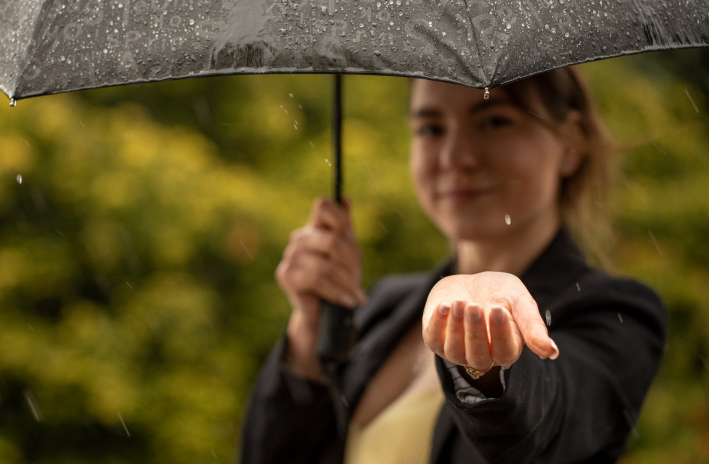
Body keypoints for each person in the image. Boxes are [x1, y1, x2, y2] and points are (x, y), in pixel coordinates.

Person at [239, 67, 667, 463]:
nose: (455, 156)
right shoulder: (381, 307)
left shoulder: (618, 313)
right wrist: (310, 334)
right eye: (431, 128)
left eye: (494, 121)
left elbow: (550, 423)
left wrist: (488, 359)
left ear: (571, 141)